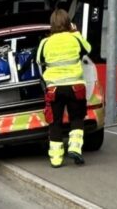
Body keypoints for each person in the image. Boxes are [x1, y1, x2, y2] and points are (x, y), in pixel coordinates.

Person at [36, 9, 91, 168]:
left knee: (55, 122)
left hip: (54, 88)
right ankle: (75, 148)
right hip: (75, 86)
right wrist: (76, 32)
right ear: (68, 23)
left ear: (52, 25)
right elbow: (88, 49)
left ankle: (56, 158)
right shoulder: (75, 38)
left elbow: (39, 61)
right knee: (77, 117)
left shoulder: (45, 43)